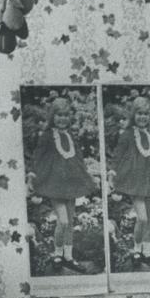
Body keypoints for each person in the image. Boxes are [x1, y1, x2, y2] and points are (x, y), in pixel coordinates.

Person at [28, 96, 98, 273]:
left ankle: (68, 256)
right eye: (59, 115)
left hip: (71, 183)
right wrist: (34, 176)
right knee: (63, 220)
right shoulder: (47, 136)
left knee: (70, 220)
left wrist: (85, 176)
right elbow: (38, 156)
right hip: (56, 184)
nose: (62, 119)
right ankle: (57, 254)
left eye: (66, 115)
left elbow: (78, 158)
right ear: (53, 116)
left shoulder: (70, 136)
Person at [107, 95, 150, 269]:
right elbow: (118, 154)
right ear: (133, 115)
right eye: (139, 114)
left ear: (149, 115)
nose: (142, 117)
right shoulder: (128, 135)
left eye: (145, 114)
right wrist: (113, 171)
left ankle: (147, 252)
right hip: (135, 179)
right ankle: (136, 250)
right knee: (142, 217)